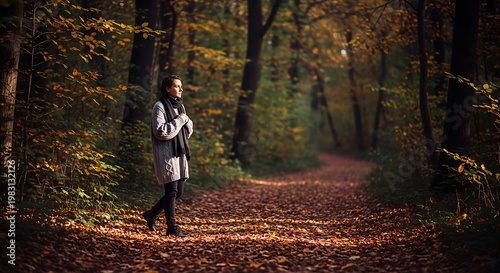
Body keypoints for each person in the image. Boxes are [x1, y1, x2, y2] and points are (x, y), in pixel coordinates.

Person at [142, 75, 193, 237]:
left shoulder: (180, 106)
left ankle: (152, 214)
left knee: (178, 193)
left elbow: (187, 131)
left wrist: (185, 121)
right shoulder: (160, 106)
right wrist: (180, 120)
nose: (181, 89)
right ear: (167, 88)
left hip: (180, 153)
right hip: (167, 154)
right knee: (171, 192)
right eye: (177, 86)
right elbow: (160, 131)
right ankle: (172, 227)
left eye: (181, 86)